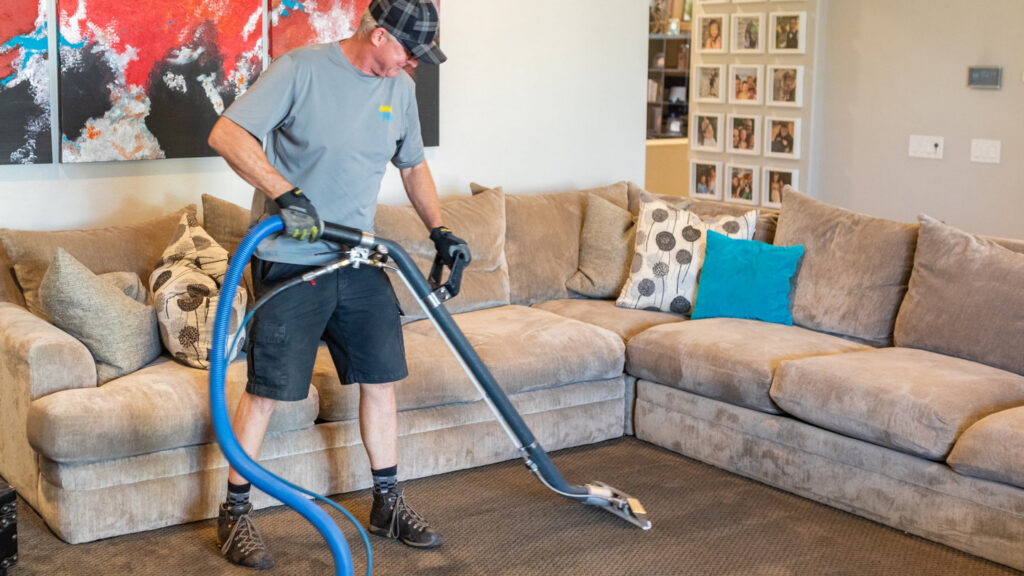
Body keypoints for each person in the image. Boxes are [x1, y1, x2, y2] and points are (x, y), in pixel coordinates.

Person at [207, 0, 462, 569]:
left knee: (381, 379)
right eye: (407, 51)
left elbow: (413, 165)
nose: (413, 64)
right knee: (268, 392)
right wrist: (284, 193)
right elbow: (227, 134)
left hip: (359, 258)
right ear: (377, 36)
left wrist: (441, 229)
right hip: (289, 260)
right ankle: (235, 514)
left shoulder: (398, 89)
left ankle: (387, 503)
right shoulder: (300, 70)